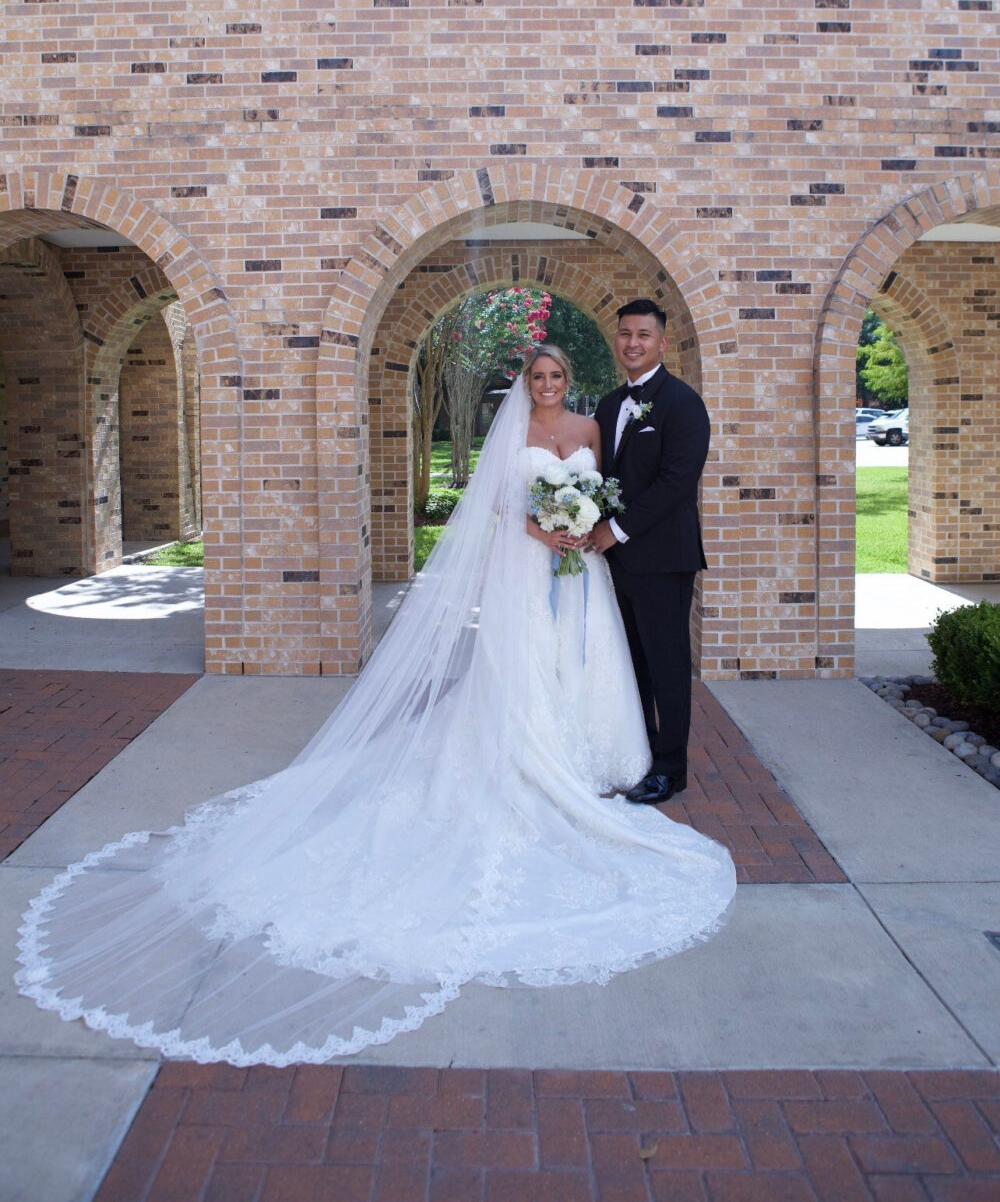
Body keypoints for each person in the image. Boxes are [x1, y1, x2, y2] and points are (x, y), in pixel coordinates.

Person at [17, 345, 734, 1067]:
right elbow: (493, 505)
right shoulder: (509, 434)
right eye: (537, 377)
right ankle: (527, 753)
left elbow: (615, 489)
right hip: (527, 567)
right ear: (526, 384)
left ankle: (604, 752)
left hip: (581, 573)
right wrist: (544, 529)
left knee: (589, 662)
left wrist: (585, 526)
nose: (547, 385)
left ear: (569, 381)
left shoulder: (592, 428)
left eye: (555, 376)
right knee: (525, 668)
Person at [589, 301, 711, 805]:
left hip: (663, 559)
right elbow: (602, 474)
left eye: (643, 334)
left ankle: (670, 768)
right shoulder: (609, 404)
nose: (632, 343)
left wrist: (615, 528)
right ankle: (639, 753)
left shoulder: (682, 403)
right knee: (630, 662)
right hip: (614, 563)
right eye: (624, 334)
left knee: (666, 666)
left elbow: (677, 483)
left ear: (662, 342)